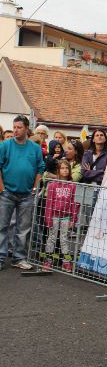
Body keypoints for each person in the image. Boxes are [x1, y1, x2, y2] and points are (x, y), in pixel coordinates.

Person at [0, 115, 45, 270]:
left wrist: (34, 188)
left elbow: (40, 168)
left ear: (26, 129)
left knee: (24, 229)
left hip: (27, 195)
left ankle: (18, 258)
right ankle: (0, 258)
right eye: (14, 127)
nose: (15, 130)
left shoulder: (35, 148)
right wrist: (2, 188)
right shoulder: (5, 145)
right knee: (2, 227)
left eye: (19, 127)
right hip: (7, 193)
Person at [42, 159, 78, 272]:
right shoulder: (52, 185)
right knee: (51, 238)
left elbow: (74, 203)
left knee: (64, 239)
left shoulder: (72, 186)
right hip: (54, 216)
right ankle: (48, 260)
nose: (65, 170)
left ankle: (66, 262)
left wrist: (73, 218)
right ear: (58, 170)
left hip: (66, 217)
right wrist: (48, 218)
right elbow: (49, 203)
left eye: (67, 168)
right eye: (62, 168)